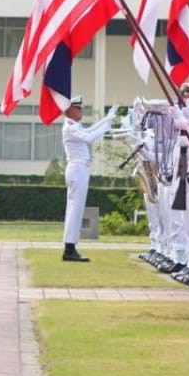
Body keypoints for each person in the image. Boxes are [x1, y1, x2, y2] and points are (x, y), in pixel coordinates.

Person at [61, 96, 116, 262]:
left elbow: (88, 131)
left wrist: (106, 120)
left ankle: (70, 246)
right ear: (69, 110)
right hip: (77, 169)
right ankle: (70, 249)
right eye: (78, 109)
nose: (81, 112)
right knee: (75, 210)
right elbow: (89, 138)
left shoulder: (74, 126)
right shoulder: (69, 127)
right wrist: (106, 125)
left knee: (74, 210)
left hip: (79, 168)